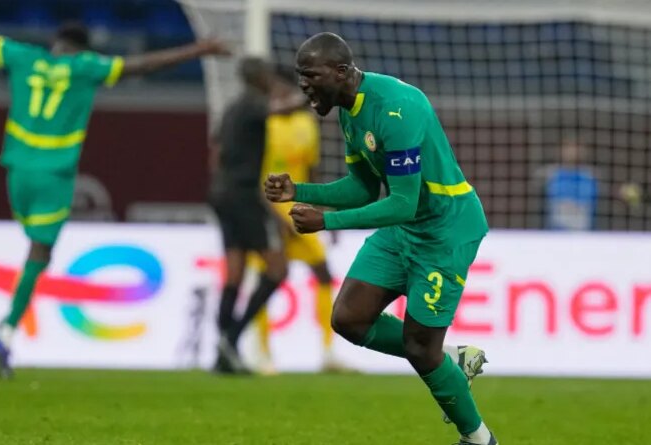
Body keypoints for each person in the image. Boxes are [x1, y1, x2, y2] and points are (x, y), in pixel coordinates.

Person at [0, 0, 229, 379]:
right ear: (83, 48)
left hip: (16, 170)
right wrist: (199, 49)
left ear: (56, 43)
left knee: (33, 246)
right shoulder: (86, 67)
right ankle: (8, 329)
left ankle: (8, 328)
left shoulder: (23, 57)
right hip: (54, 174)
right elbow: (141, 66)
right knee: (39, 254)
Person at [265, 33, 496, 444]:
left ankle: (479, 438)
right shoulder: (350, 110)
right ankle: (453, 363)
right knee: (349, 320)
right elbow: (363, 188)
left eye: (310, 75)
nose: (303, 85)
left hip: (444, 231)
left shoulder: (396, 108)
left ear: (340, 72)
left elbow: (403, 203)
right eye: (300, 76)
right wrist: (299, 191)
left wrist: (327, 223)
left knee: (421, 349)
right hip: (404, 229)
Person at [248, 66, 348, 374]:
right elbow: (250, 175)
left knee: (323, 272)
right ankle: (261, 353)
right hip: (268, 214)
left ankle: (329, 353)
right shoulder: (263, 123)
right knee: (268, 278)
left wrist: (324, 212)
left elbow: (312, 171)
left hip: (299, 212)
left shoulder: (306, 124)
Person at [208, 57, 304, 374]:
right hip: (242, 194)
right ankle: (231, 339)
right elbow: (289, 108)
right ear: (259, 78)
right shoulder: (254, 105)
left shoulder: (233, 108)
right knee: (277, 269)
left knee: (234, 271)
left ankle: (224, 354)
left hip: (223, 192)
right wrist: (317, 90)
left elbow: (217, 150)